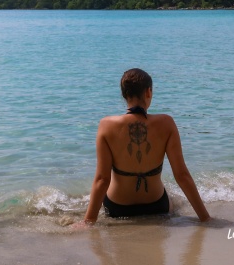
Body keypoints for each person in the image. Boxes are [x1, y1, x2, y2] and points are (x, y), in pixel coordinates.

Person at [82, 68, 210, 224]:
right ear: (149, 92)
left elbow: (102, 179)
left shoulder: (106, 125)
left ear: (124, 95)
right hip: (156, 206)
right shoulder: (166, 123)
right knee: (176, 203)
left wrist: (88, 221)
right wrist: (205, 218)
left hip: (117, 207)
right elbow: (182, 175)